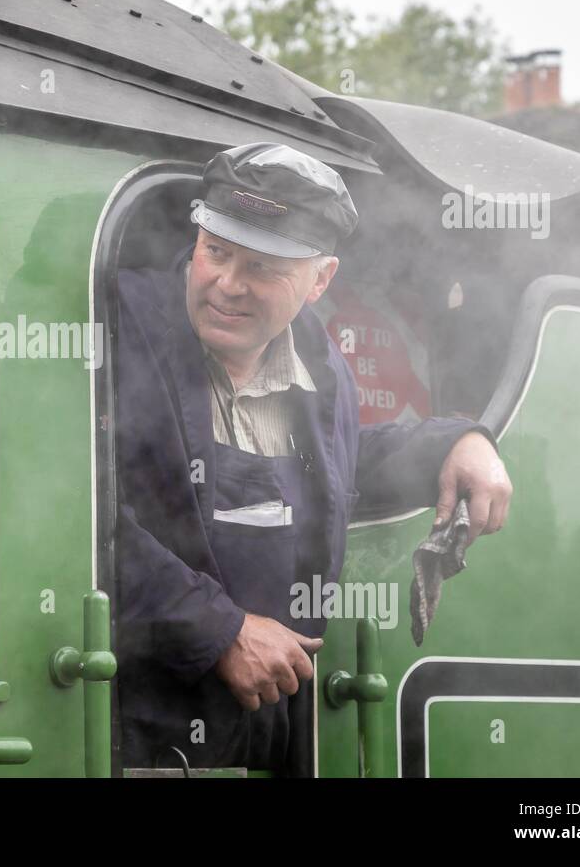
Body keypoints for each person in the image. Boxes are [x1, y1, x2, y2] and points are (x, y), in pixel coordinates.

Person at [115, 143, 512, 771]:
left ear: (319, 281)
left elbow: (339, 466)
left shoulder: (320, 363)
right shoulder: (118, 326)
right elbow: (75, 516)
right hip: (139, 732)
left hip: (270, 732)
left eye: (264, 268)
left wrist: (459, 440)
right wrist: (219, 630)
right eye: (216, 251)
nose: (228, 284)